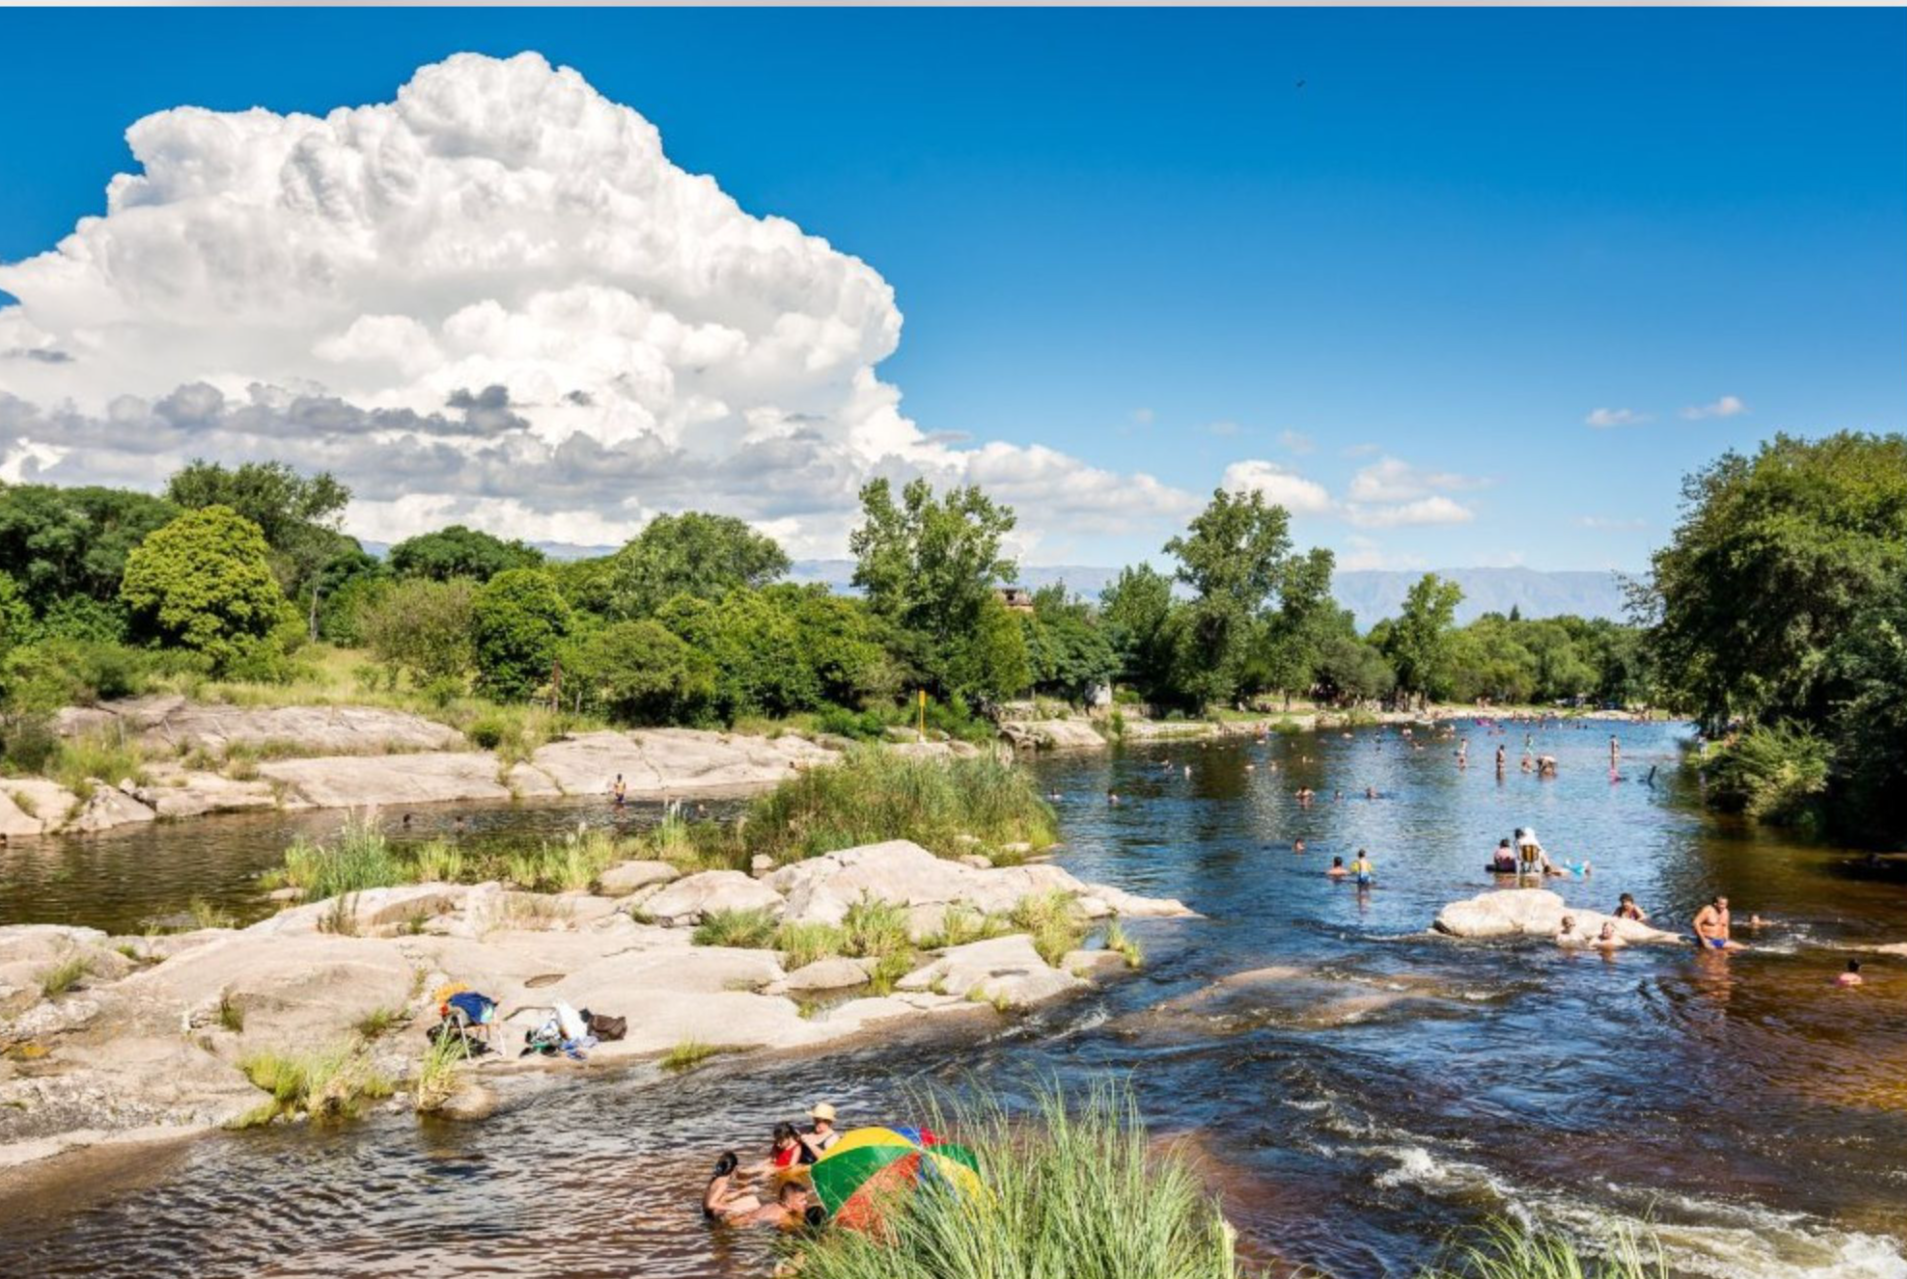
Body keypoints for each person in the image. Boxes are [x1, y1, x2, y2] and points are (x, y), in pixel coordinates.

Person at [704, 1152, 761, 1222]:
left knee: (753, 1199)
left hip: (709, 1214)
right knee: (755, 1204)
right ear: (734, 1169)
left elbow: (721, 1196)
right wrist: (731, 1208)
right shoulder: (723, 1184)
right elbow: (711, 1204)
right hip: (716, 1215)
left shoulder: (717, 1178)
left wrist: (742, 1191)